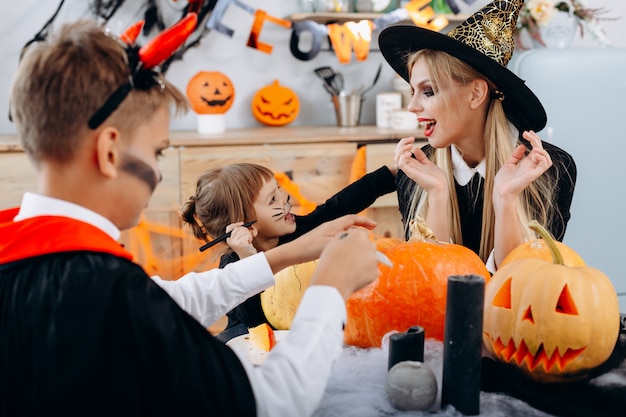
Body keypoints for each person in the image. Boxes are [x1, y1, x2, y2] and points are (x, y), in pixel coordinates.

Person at [0, 18, 382, 417]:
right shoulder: (110, 292)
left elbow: (170, 298)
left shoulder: (27, 256)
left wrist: (290, 253)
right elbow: (271, 402)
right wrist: (330, 288)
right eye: (157, 151)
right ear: (110, 152)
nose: (160, 172)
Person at [378, 0, 576, 270]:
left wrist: (505, 200)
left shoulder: (549, 170)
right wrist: (437, 194)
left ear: (475, 94)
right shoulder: (416, 173)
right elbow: (427, 287)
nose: (413, 107)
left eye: (428, 91)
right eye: (411, 92)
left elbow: (522, 290)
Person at [180, 161, 397, 332]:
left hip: (297, 332)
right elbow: (253, 322)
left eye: (279, 189)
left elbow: (336, 207)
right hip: (252, 344)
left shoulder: (298, 229)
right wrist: (249, 260)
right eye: (272, 199)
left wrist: (390, 175)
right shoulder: (234, 263)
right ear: (243, 221)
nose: (286, 198)